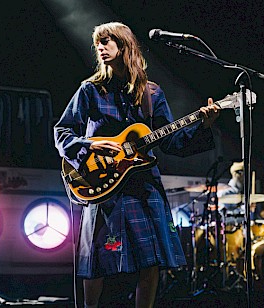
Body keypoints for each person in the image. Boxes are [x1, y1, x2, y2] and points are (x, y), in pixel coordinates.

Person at [54, 22, 220, 308]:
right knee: (95, 261)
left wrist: (203, 126)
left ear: (124, 45)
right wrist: (90, 145)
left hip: (142, 184)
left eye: (107, 41)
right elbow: (62, 132)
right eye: (98, 44)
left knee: (150, 259)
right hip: (102, 184)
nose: (101, 48)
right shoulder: (91, 90)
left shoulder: (151, 93)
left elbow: (170, 141)